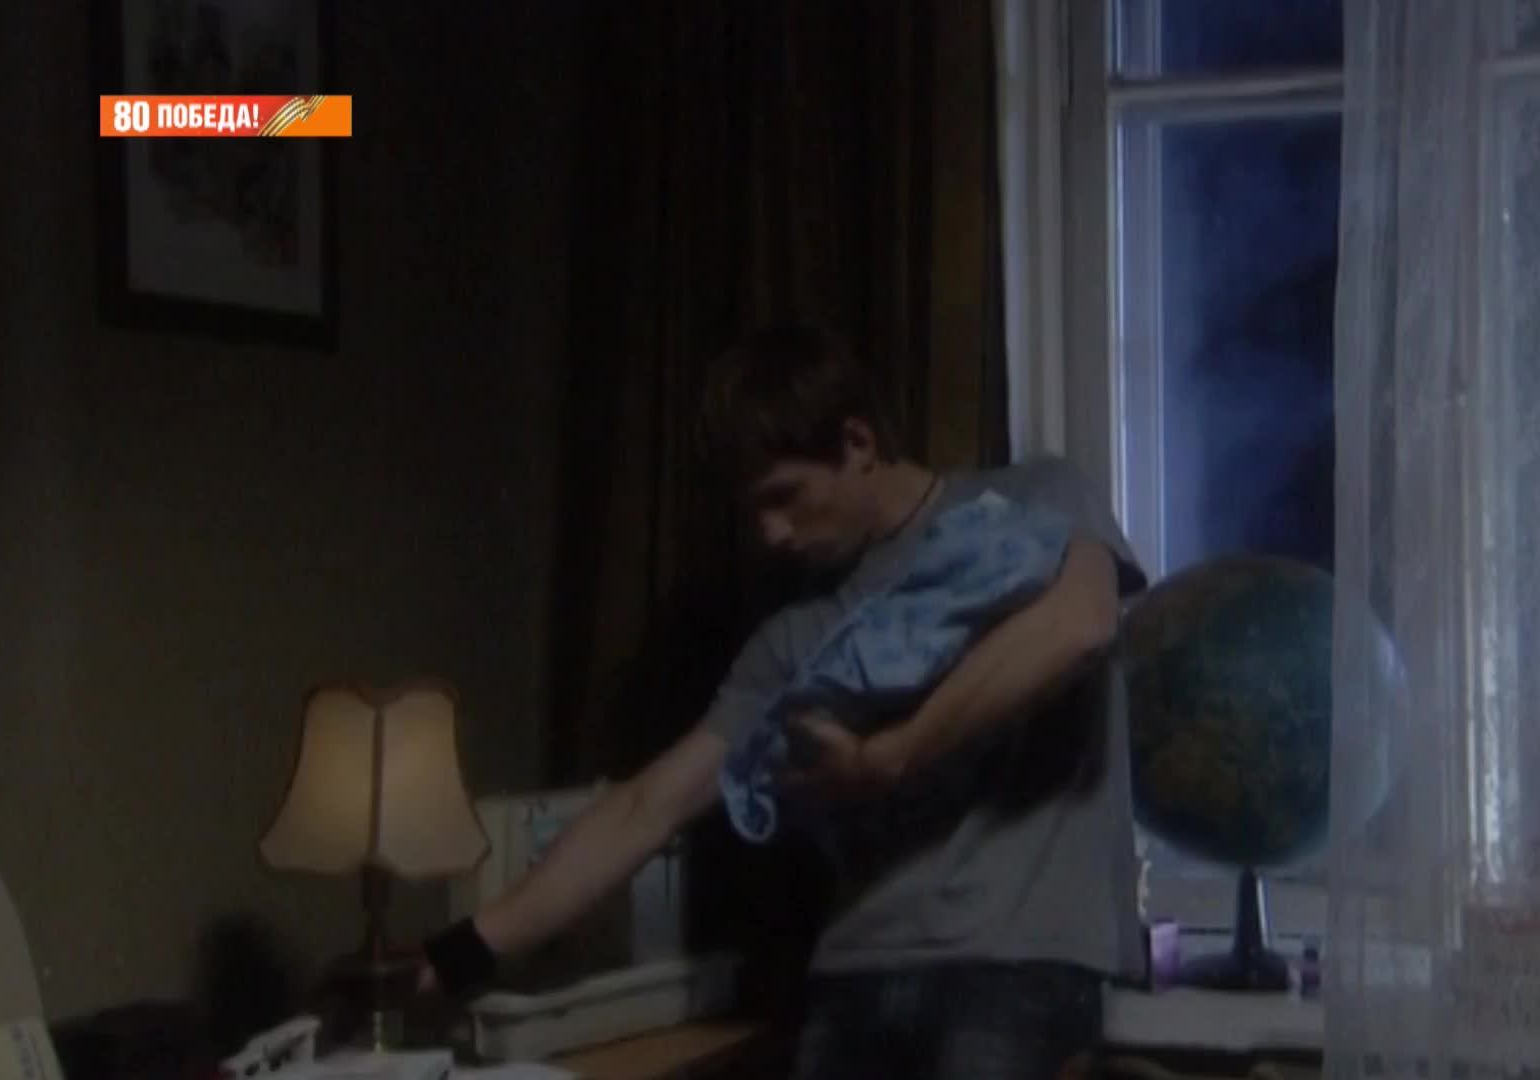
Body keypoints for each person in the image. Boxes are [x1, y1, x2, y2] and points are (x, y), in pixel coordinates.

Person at [422, 323, 1148, 1079]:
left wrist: (889, 757)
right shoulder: (793, 638)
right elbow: (645, 806)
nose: (771, 533)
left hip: (1018, 967)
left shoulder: (1034, 496)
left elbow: (1080, 625)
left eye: (785, 497)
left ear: (858, 443)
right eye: (752, 511)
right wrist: (462, 949)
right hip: (854, 975)